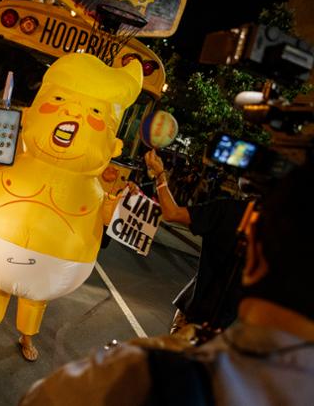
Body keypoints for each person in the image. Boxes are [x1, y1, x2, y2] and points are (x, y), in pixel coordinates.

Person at [20, 161, 314, 405]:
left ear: (254, 258)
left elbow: (40, 399)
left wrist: (159, 175)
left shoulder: (145, 372)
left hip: (196, 318)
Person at [145, 149, 249, 333]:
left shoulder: (228, 210)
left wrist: (160, 174)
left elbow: (172, 212)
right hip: (232, 329)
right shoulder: (283, 230)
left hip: (196, 314)